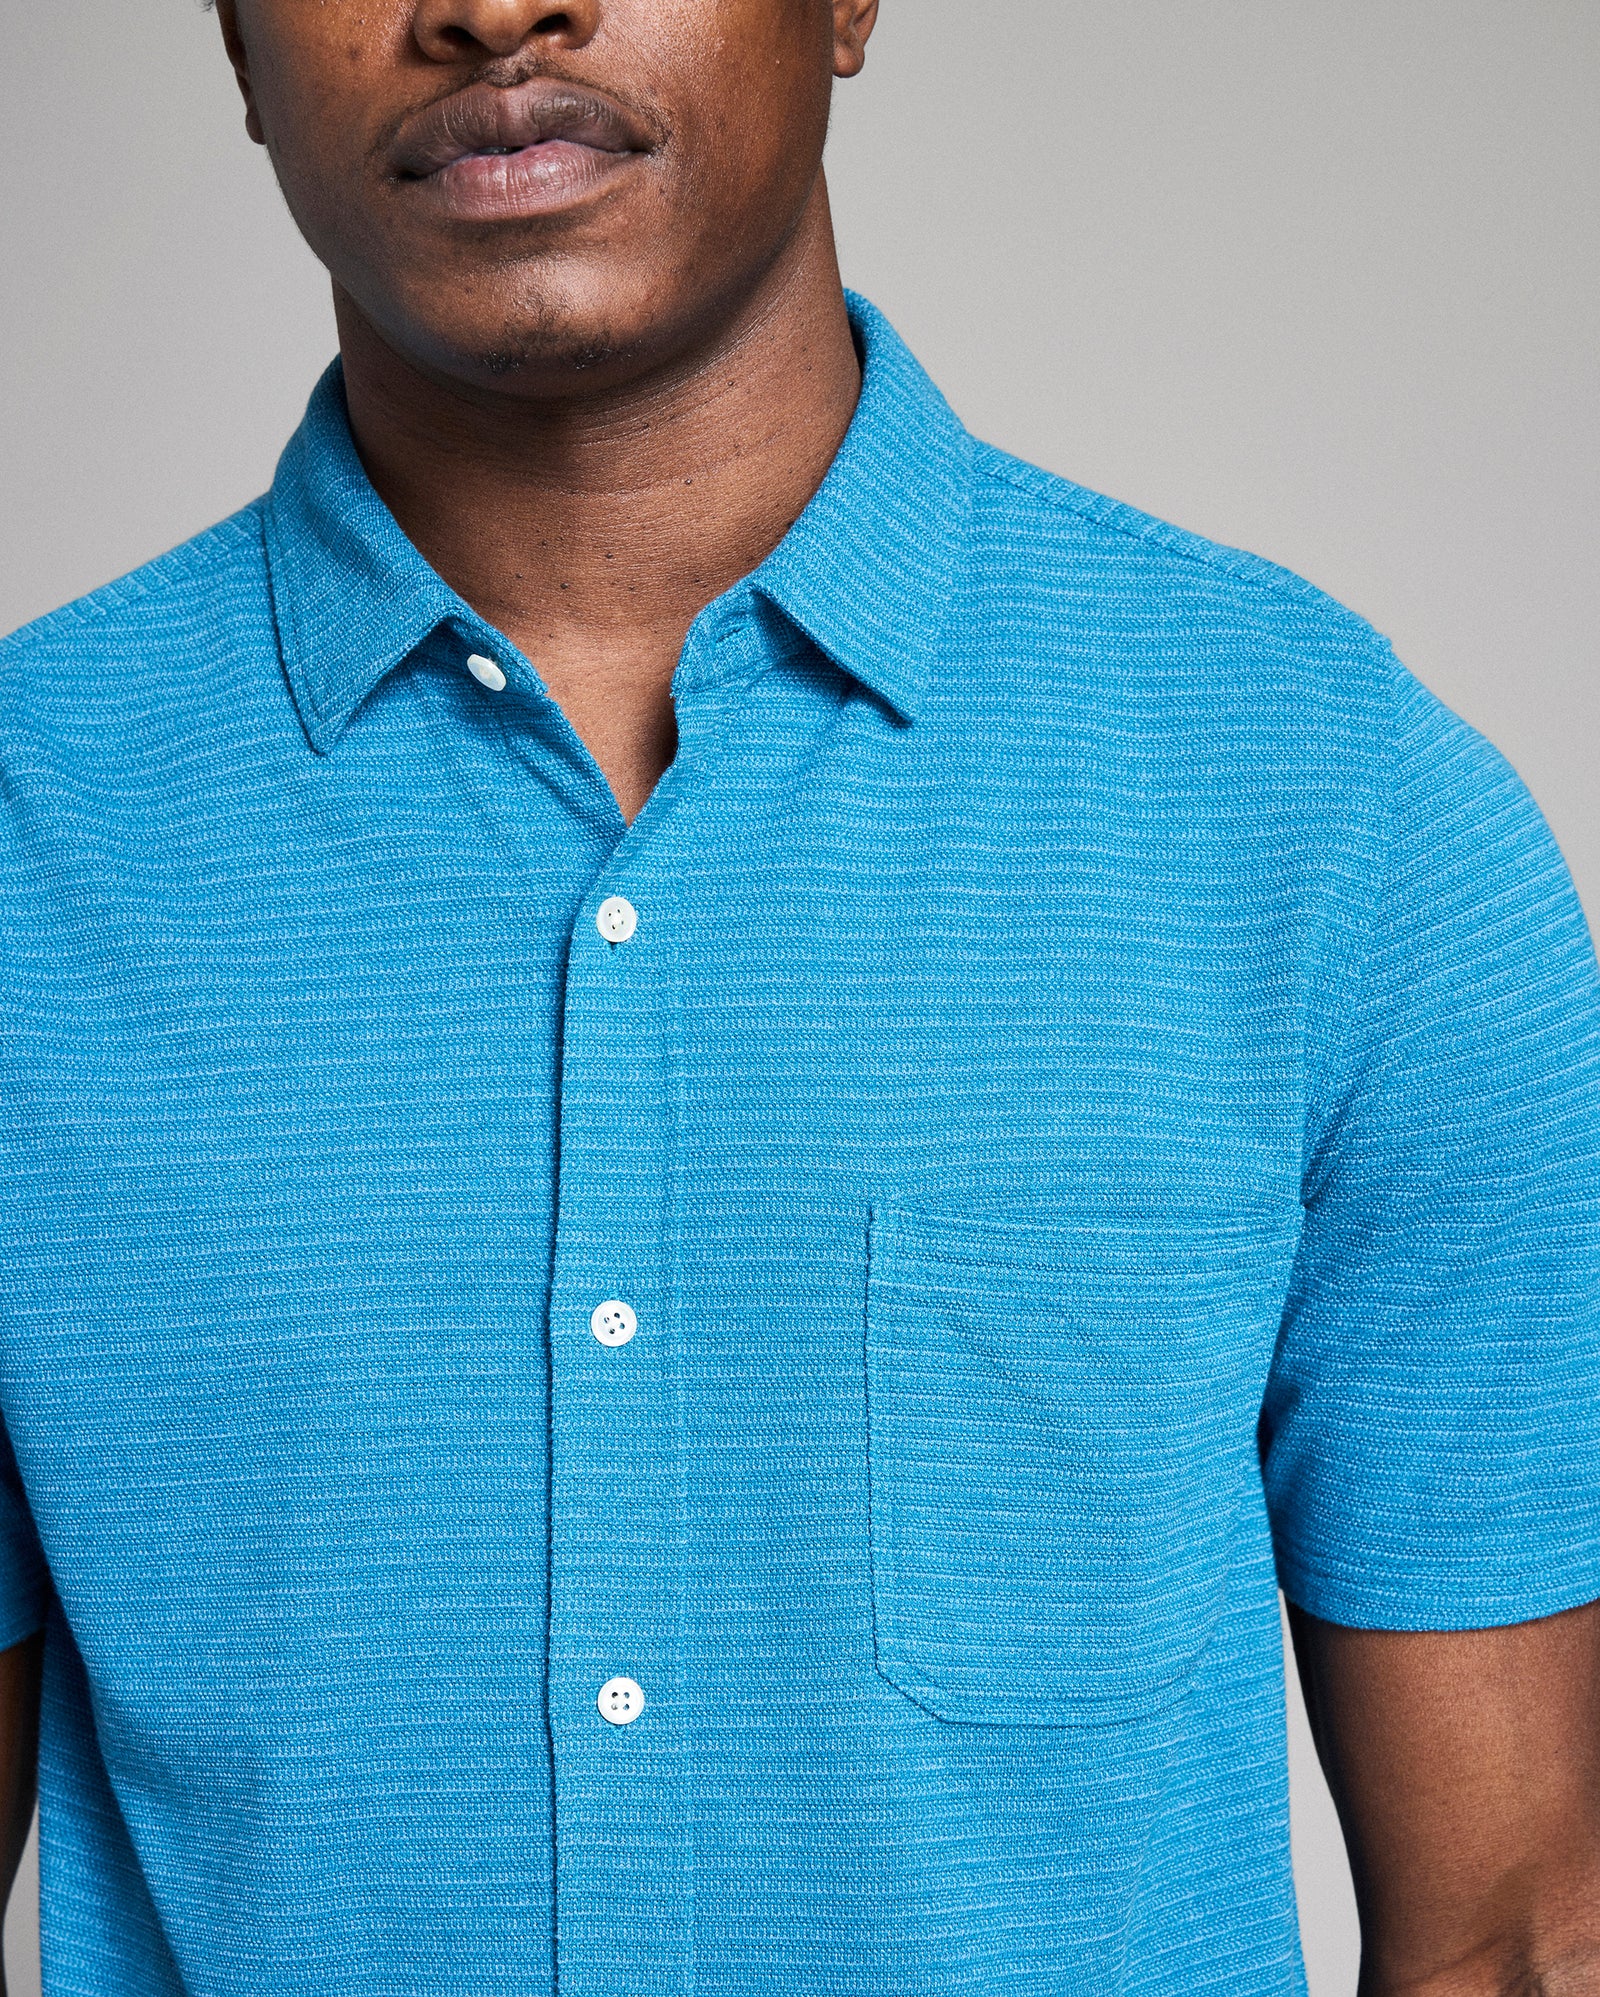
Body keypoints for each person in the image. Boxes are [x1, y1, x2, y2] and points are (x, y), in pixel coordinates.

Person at [0, 0, 1596, 1990]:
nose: (494, 9)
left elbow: (1516, 1935)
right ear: (231, 46)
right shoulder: (29, 841)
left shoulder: (1327, 807)